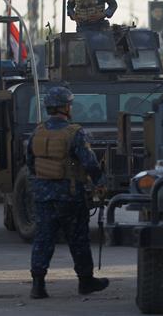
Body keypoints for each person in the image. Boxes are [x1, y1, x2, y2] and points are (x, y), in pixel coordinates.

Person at [27, 86, 109, 299]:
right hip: (69, 196)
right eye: (69, 104)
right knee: (78, 239)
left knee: (43, 239)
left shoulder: (37, 131)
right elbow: (89, 162)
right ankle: (86, 282)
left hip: (43, 196)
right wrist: (100, 182)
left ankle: (38, 285)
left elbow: (30, 163)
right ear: (65, 107)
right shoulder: (74, 132)